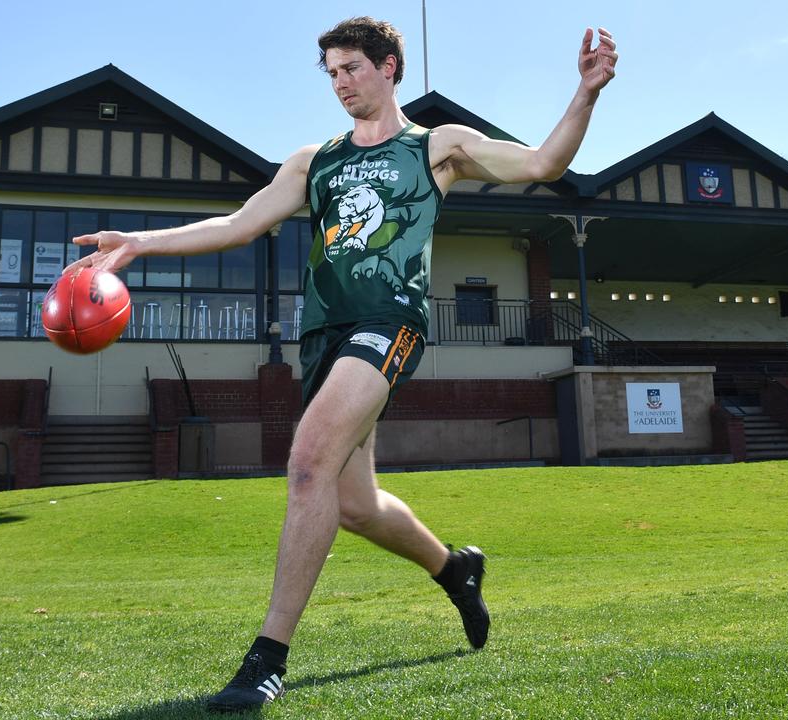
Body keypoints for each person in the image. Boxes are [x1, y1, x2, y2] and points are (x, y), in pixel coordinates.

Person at [66, 16, 617, 712]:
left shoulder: (435, 147)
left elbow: (542, 164)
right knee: (353, 504)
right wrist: (139, 242)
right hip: (324, 336)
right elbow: (239, 224)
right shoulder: (314, 160)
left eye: (352, 68)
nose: (340, 83)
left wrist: (586, 94)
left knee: (306, 463)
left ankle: (267, 658)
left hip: (391, 323)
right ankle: (455, 569)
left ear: (391, 68)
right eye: (330, 72)